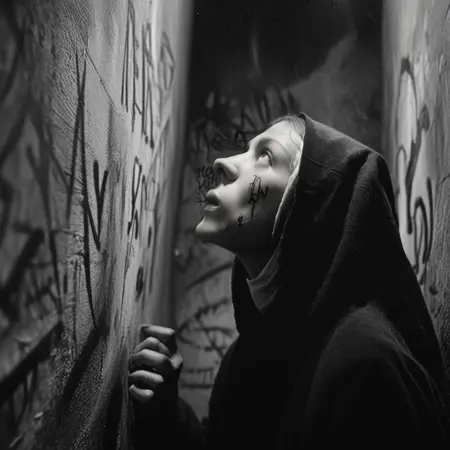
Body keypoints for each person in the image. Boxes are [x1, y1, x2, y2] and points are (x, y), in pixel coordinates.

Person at [128, 113, 450, 449]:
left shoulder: (367, 369)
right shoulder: (249, 354)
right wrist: (166, 414)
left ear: (310, 204)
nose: (223, 163)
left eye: (265, 156)